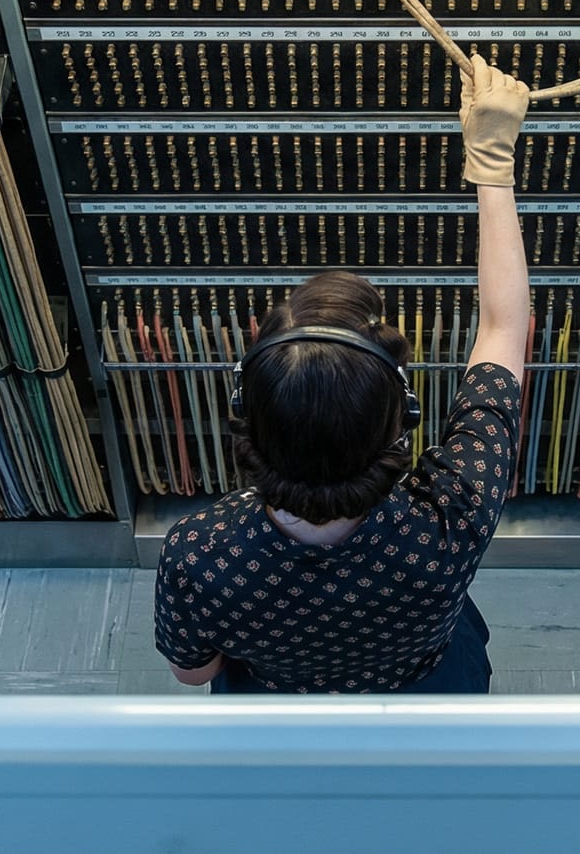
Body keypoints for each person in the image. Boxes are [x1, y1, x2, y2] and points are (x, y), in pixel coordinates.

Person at [153, 54, 531, 693]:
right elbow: (503, 329)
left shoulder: (200, 549)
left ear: (248, 411)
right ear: (401, 415)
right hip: (427, 697)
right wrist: (492, 165)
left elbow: (195, 674)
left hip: (278, 719)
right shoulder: (453, 513)